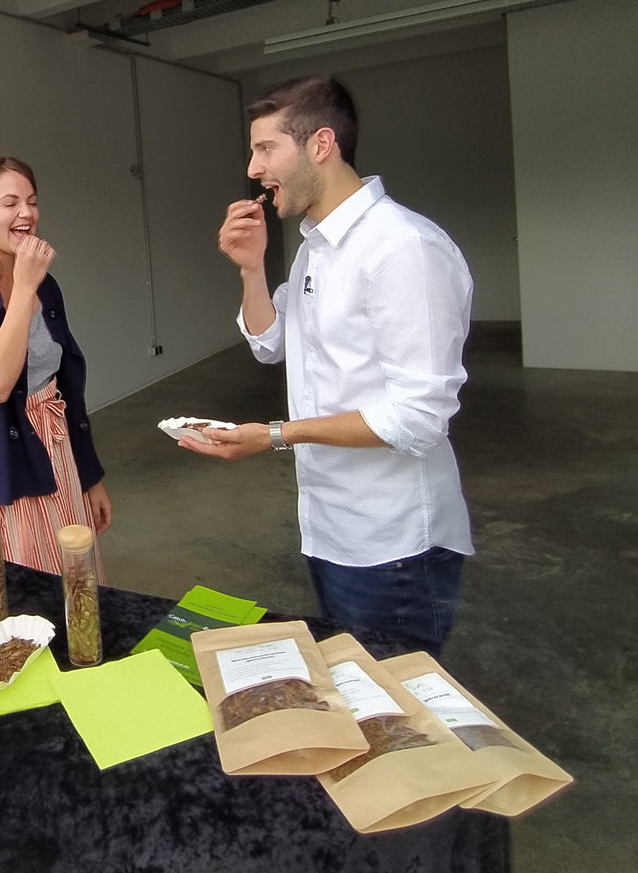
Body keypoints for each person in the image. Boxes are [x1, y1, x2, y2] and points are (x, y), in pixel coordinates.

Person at [180, 76, 473, 655]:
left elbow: (417, 417)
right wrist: (249, 269)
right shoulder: (317, 245)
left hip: (394, 544)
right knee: (358, 686)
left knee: (399, 710)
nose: (253, 168)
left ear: (320, 144)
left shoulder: (403, 248)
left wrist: (273, 435)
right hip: (330, 526)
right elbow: (270, 342)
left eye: (266, 149)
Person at [0, 155, 110, 575]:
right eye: (10, 203)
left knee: (73, 583)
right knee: (10, 591)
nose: (26, 213)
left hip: (54, 444)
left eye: (32, 201)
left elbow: (65, 387)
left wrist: (89, 476)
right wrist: (25, 286)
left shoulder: (47, 284)